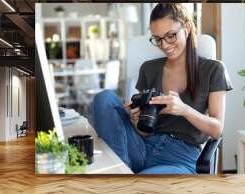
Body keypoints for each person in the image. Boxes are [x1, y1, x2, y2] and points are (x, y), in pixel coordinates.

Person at [91, 3, 232, 174]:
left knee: (142, 183)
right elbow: (142, 132)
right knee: (104, 98)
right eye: (157, 39)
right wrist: (136, 122)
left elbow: (216, 129)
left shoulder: (213, 69)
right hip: (141, 148)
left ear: (186, 27)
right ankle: (121, 171)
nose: (164, 45)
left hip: (180, 159)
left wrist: (184, 110)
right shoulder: (149, 69)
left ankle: (121, 175)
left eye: (171, 36)